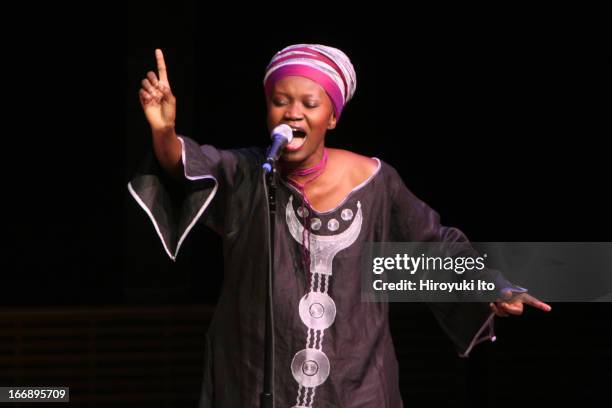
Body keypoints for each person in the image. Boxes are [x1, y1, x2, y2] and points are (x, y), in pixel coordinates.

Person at [129, 45, 551, 407]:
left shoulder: (375, 181)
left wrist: (483, 285)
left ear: (331, 117)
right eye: (280, 101)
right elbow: (186, 168)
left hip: (356, 386)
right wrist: (164, 131)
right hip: (254, 375)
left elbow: (431, 245)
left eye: (309, 104)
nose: (292, 113)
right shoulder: (250, 173)